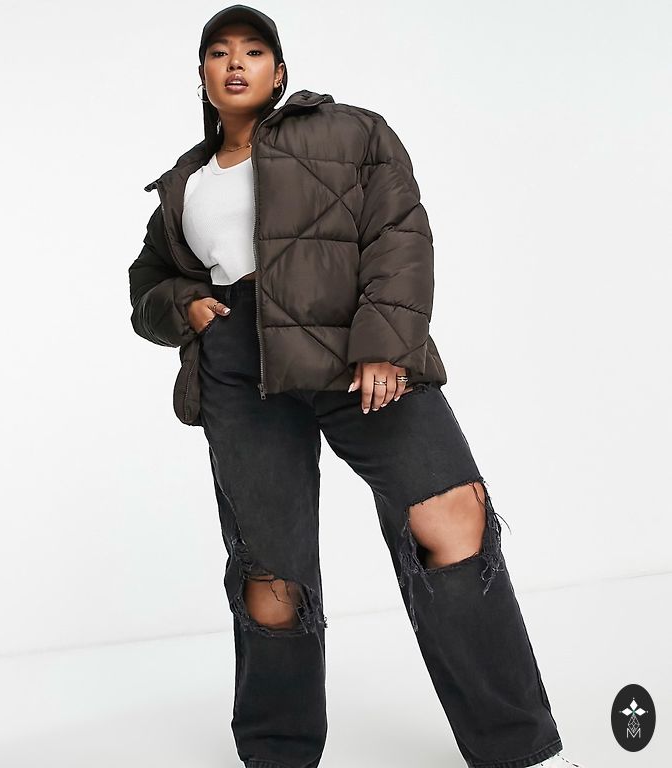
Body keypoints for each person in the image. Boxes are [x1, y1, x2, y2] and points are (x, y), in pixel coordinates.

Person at [128, 5, 585, 768]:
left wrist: (384, 346)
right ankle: (278, 754)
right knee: (272, 577)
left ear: (279, 72)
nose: (235, 63)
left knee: (451, 516)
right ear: (202, 75)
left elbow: (398, 230)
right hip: (239, 365)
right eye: (219, 52)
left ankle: (517, 749)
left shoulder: (348, 132)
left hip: (348, 345)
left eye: (253, 51)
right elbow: (145, 286)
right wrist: (187, 305)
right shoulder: (184, 185)